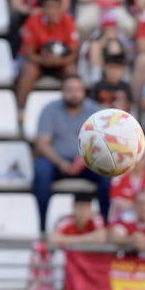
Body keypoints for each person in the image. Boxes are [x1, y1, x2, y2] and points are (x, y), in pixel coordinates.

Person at [33, 76, 111, 228]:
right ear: (62, 92)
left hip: (88, 161)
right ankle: (42, 222)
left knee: (108, 172)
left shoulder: (95, 111)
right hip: (57, 161)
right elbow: (42, 143)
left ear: (84, 92)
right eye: (69, 90)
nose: (73, 94)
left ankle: (106, 222)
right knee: (41, 170)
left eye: (77, 90)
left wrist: (85, 159)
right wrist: (60, 162)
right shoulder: (50, 110)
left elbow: (104, 143)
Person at [17, 0, 81, 110]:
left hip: (61, 62)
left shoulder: (68, 21)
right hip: (39, 62)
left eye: (56, 8)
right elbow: (29, 52)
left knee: (71, 70)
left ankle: (75, 109)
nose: (53, 11)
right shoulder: (33, 21)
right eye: (49, 8)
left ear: (61, 8)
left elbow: (73, 51)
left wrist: (59, 61)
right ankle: (21, 110)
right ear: (43, 9)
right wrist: (44, 60)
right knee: (29, 70)